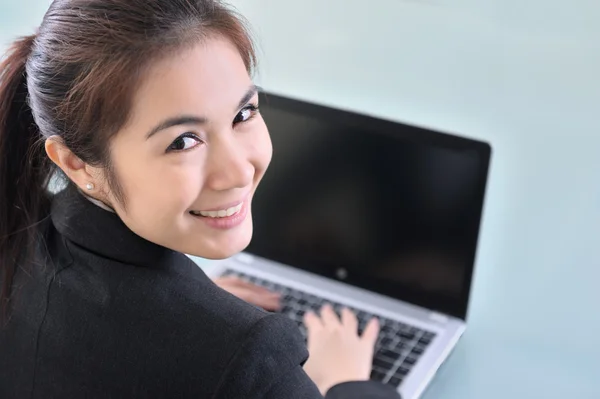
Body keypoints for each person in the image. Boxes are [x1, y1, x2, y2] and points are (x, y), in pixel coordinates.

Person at [0, 1, 401, 398]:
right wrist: (343, 382)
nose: (240, 172)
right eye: (183, 141)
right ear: (77, 163)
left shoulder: (17, 238)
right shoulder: (250, 358)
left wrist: (193, 298)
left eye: (243, 113)